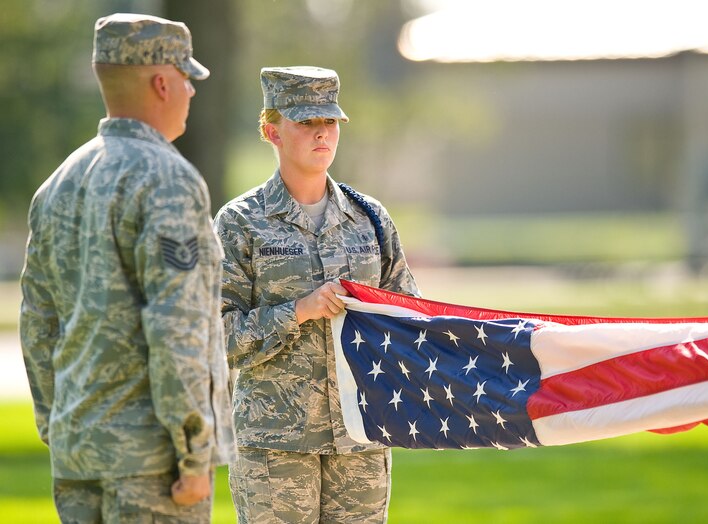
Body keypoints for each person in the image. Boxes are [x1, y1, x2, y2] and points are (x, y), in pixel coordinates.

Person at [19, 13, 235, 523]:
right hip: (153, 467)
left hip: (77, 456)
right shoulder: (168, 179)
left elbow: (38, 323)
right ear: (162, 83)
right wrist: (194, 455)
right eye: (187, 78)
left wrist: (59, 427)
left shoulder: (58, 184)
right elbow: (176, 326)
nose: (191, 91)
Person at [213, 66, 420, 523]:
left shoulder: (369, 218)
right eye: (305, 123)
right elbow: (216, 338)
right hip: (275, 445)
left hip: (361, 436)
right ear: (272, 131)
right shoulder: (240, 222)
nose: (321, 133)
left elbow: (409, 317)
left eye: (329, 122)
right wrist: (298, 311)